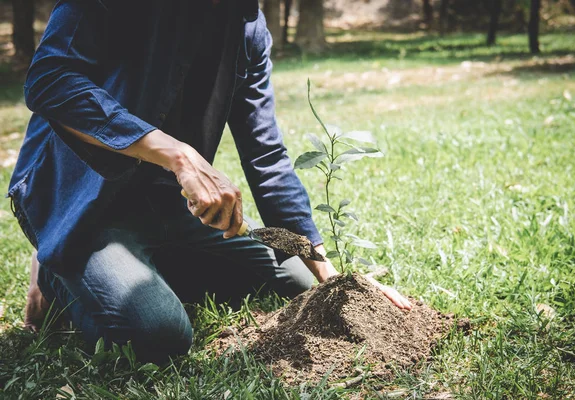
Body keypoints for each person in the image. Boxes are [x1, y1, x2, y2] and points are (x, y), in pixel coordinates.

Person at [9, 0, 411, 363]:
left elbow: (266, 155)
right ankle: (56, 265)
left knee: (298, 278)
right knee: (159, 335)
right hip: (80, 199)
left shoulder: (248, 24)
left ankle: (145, 268)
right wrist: (177, 155)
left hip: (167, 201)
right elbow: (50, 79)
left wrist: (333, 278)